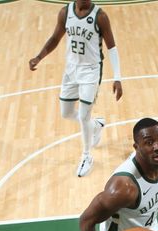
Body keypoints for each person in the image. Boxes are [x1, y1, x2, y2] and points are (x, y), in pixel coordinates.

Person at [29, 0, 123, 177]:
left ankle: (87, 156)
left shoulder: (100, 16)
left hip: (91, 71)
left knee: (83, 116)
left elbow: (112, 47)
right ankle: (96, 125)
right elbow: (55, 38)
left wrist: (117, 78)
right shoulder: (65, 12)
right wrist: (38, 57)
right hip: (71, 70)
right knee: (66, 113)